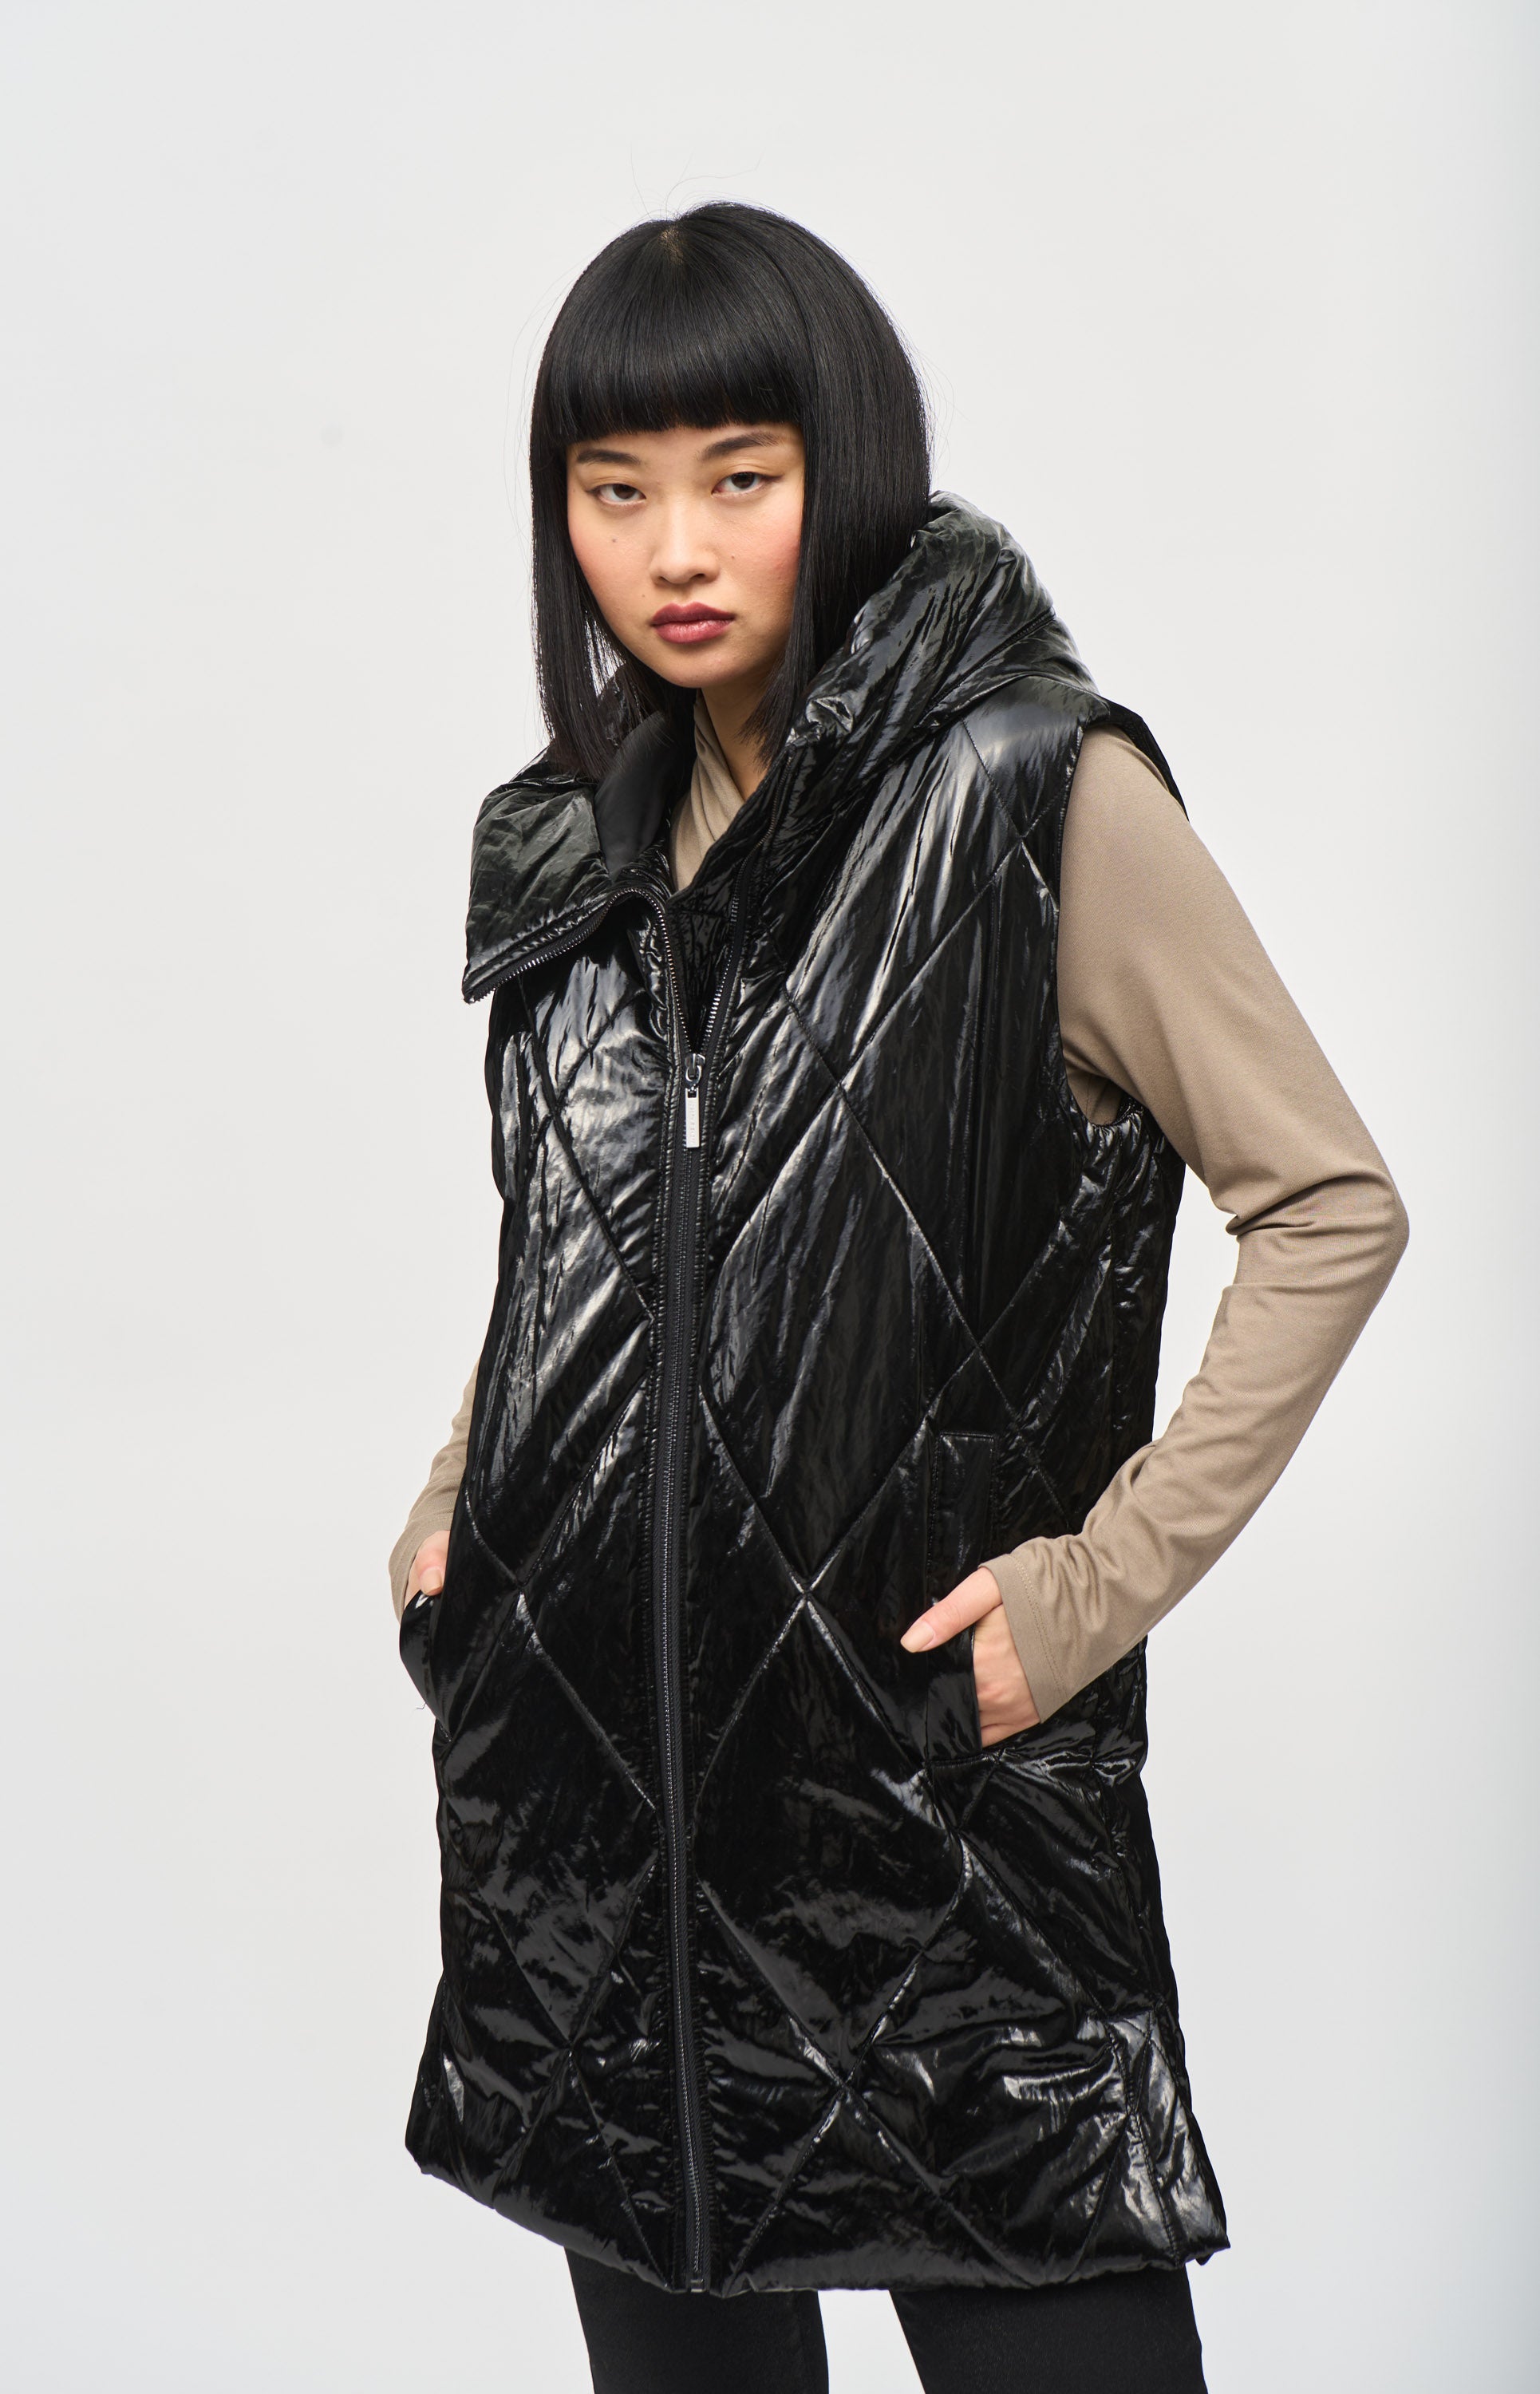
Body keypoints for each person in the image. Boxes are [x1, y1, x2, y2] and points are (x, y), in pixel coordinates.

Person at [388, 203, 1408, 2394]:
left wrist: (1099, 1585)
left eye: (738, 477)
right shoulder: (559, 848)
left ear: (841, 462)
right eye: (613, 490)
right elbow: (570, 1234)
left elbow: (1327, 1204)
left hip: (928, 1827)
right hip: (599, 1838)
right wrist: (465, 1501)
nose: (674, 549)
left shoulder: (1035, 793)